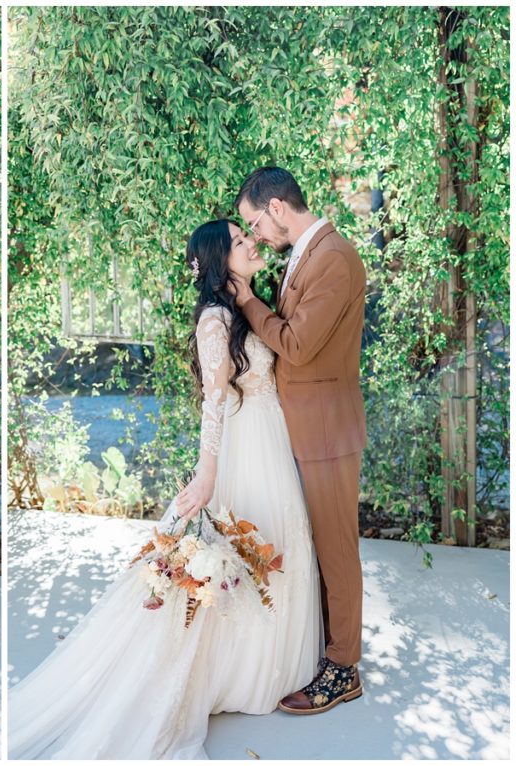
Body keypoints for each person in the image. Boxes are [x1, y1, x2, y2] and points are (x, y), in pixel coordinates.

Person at [8, 220, 322, 759]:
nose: (251, 243)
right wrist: (206, 473)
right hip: (244, 449)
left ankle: (267, 668)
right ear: (220, 259)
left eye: (249, 236)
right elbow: (215, 400)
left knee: (279, 547)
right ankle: (233, 674)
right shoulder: (214, 320)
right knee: (245, 550)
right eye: (240, 241)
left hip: (271, 442)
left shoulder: (242, 306)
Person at [232, 166, 366, 714]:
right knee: (319, 545)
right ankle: (327, 650)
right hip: (304, 424)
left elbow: (297, 343)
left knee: (337, 549)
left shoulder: (333, 258)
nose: (256, 235)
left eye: (254, 222)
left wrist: (244, 301)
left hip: (328, 430)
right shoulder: (306, 254)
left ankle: (343, 670)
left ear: (277, 208)